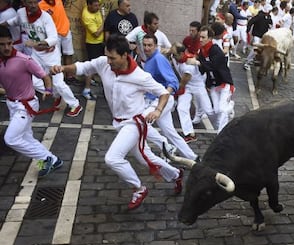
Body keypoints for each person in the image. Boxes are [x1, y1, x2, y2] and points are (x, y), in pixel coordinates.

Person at [50, 34, 184, 209]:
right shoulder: (103, 62)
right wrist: (62, 68)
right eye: (107, 56)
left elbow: (164, 93)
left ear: (124, 55)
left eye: (112, 58)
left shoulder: (140, 76)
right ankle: (175, 174)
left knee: (112, 158)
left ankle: (139, 188)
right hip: (119, 123)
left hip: (135, 123)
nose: (109, 61)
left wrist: (158, 110)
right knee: (145, 158)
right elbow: (82, 67)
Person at [0, 25, 63, 177]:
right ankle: (54, 160)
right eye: (2, 44)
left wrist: (48, 90)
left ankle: (46, 158)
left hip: (26, 105)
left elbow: (45, 76)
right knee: (26, 138)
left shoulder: (24, 60)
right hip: (12, 104)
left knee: (11, 139)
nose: (7, 47)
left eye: (9, 43)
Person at [4, 0, 83, 117]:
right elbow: (12, 22)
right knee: (33, 80)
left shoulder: (45, 17)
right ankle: (57, 94)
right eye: (29, 3)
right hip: (36, 55)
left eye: (35, 2)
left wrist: (37, 44)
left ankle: (75, 104)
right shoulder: (21, 13)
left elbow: (53, 38)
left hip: (51, 56)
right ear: (24, 3)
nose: (33, 6)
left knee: (58, 83)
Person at [141, 34, 199, 156]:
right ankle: (193, 158)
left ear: (156, 46)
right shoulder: (150, 59)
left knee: (141, 122)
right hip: (156, 100)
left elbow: (173, 82)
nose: (146, 48)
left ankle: (166, 146)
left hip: (162, 101)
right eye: (144, 45)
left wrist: (161, 102)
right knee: (170, 133)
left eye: (150, 45)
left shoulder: (158, 59)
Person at [187, 26, 235, 133]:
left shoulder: (216, 49)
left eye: (203, 37)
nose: (201, 40)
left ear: (210, 38)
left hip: (224, 82)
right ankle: (229, 107)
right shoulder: (201, 51)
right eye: (200, 37)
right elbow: (202, 70)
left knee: (222, 109)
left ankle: (221, 133)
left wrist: (198, 62)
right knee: (217, 110)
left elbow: (213, 66)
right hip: (213, 85)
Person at [170, 42, 214, 143]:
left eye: (175, 55)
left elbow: (182, 84)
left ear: (182, 54)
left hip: (197, 85)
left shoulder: (188, 67)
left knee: (209, 111)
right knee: (182, 108)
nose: (173, 57)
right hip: (187, 86)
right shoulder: (175, 56)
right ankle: (190, 134)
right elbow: (168, 52)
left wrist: (175, 94)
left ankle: (227, 112)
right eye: (172, 54)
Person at [38, 0, 77, 84]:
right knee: (56, 57)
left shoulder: (58, 0)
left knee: (69, 54)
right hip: (54, 34)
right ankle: (59, 79)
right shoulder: (40, 5)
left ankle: (69, 77)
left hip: (65, 30)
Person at [81, 0, 104, 100]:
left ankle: (91, 80)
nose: (98, 7)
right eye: (95, 6)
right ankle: (86, 90)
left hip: (100, 43)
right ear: (89, 5)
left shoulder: (94, 6)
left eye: (98, 5)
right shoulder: (87, 16)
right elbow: (97, 33)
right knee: (90, 67)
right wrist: (104, 20)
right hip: (93, 44)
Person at [244, 3, 272, 69]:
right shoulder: (260, 15)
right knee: (255, 49)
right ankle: (247, 62)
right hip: (257, 35)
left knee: (260, 49)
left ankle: (252, 59)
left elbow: (270, 23)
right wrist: (248, 30)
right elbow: (251, 21)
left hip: (263, 36)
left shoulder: (268, 16)